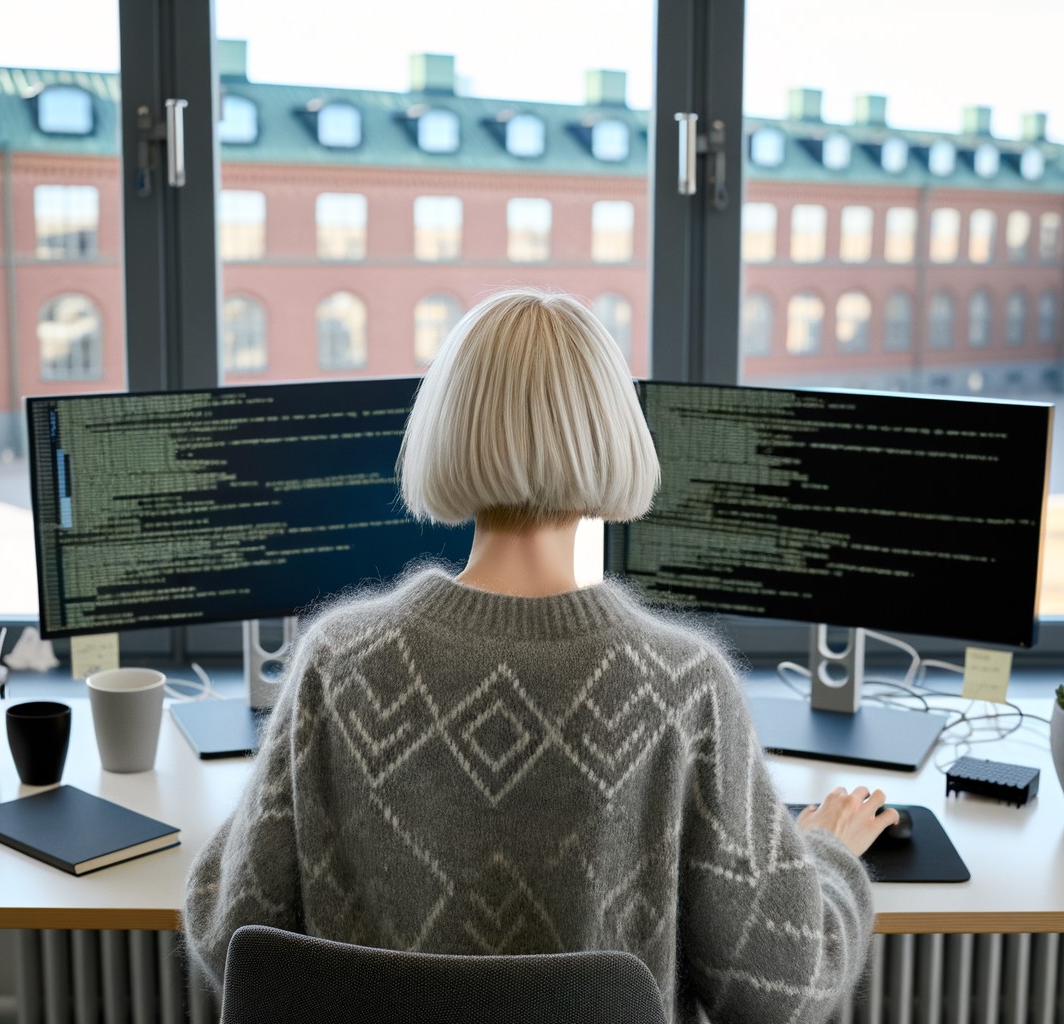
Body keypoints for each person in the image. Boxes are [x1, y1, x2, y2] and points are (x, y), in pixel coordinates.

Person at [183, 288, 898, 1022]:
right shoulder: (682, 687)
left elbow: (229, 926)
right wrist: (830, 856)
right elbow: (781, 989)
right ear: (612, 435)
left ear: (446, 428)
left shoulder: (335, 661)